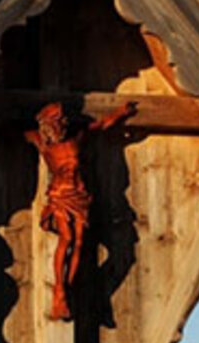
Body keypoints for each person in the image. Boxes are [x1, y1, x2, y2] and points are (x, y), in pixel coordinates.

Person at [24, 100, 136, 320]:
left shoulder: (78, 137)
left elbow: (103, 125)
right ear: (49, 124)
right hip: (60, 195)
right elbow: (11, 132)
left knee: (79, 243)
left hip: (80, 195)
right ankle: (59, 289)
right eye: (58, 120)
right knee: (66, 239)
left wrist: (122, 113)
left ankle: (67, 290)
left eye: (63, 120)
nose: (63, 123)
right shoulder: (42, 143)